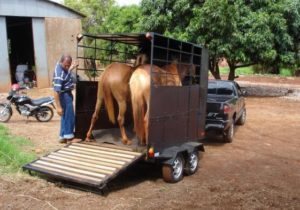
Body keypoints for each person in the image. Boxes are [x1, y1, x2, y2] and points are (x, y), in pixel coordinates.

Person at [53, 54, 79, 143]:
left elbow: (66, 72)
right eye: (66, 65)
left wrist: (72, 67)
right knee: (69, 116)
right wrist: (58, 107)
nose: (67, 67)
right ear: (61, 62)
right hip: (64, 95)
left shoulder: (62, 67)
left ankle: (62, 136)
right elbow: (56, 91)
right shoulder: (59, 74)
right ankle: (69, 138)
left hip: (66, 94)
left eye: (69, 65)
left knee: (64, 116)